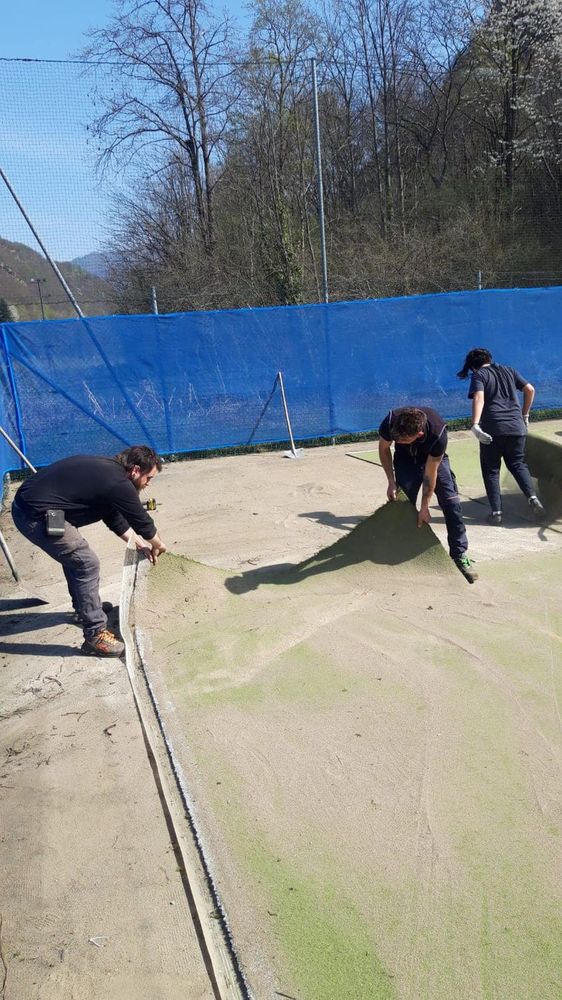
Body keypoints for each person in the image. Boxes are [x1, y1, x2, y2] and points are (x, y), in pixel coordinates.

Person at [11, 445, 167, 657]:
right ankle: (95, 635)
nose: (148, 484)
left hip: (38, 507)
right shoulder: (118, 482)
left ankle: (83, 610)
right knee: (85, 562)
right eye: (149, 478)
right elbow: (142, 520)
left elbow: (114, 517)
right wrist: (159, 544)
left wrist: (139, 544)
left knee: (75, 558)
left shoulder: (110, 474)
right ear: (136, 470)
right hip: (34, 514)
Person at [378, 406, 477, 583]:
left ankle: (459, 554)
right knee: (402, 506)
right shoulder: (391, 421)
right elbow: (384, 449)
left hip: (433, 461)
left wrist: (425, 507)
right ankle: (399, 549)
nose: (398, 441)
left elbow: (430, 475)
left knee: (452, 505)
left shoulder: (437, 433)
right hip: (405, 461)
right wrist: (391, 482)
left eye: (403, 439)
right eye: (396, 438)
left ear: (420, 434)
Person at [457, 347, 543, 525]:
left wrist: (475, 424)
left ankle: (496, 513)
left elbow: (479, 397)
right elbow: (530, 389)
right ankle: (533, 499)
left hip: (493, 428)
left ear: (473, 366)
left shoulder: (479, 375)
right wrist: (525, 415)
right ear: (489, 358)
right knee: (518, 464)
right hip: (517, 427)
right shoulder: (509, 370)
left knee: (491, 470)